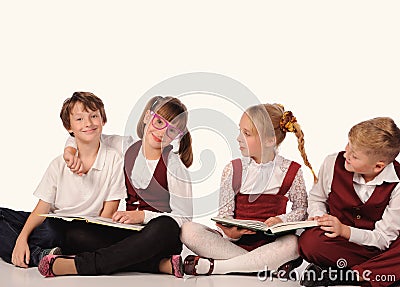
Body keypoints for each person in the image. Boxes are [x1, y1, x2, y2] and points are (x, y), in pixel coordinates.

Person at [38, 96, 193, 278]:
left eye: (172, 130)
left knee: (166, 225)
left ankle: (80, 266)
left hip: (159, 238)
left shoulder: (175, 167)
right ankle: (158, 265)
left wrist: (142, 216)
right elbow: (88, 135)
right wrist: (69, 150)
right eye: (159, 122)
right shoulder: (126, 146)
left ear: (178, 136)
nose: (162, 133)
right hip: (130, 236)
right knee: (75, 234)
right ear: (146, 118)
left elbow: (184, 218)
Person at [179, 103, 317, 277]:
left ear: (269, 140)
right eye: (240, 131)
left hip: (271, 244)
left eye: (247, 134)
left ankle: (218, 267)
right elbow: (225, 214)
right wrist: (231, 233)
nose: (238, 138)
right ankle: (267, 267)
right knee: (188, 230)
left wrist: (281, 220)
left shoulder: (291, 171)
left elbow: (302, 209)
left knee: (293, 243)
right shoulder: (233, 169)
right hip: (233, 244)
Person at [0, 92, 127, 268]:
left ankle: (34, 253)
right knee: (26, 224)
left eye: (94, 116)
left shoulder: (114, 159)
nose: (88, 123)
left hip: (79, 231)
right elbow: (41, 209)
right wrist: (22, 238)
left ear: (103, 120)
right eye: (80, 119)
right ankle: (40, 254)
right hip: (52, 223)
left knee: (51, 232)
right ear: (69, 127)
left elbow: (109, 212)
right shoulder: (58, 164)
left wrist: (92, 239)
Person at [298, 117, 400, 287]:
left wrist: (345, 230)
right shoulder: (332, 163)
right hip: (341, 243)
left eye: (354, 155)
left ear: (378, 166)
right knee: (309, 242)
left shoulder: (397, 183)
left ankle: (349, 275)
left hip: (380, 245)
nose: (346, 154)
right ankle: (384, 273)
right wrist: (319, 217)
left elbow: (383, 239)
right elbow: (317, 198)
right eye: (348, 146)